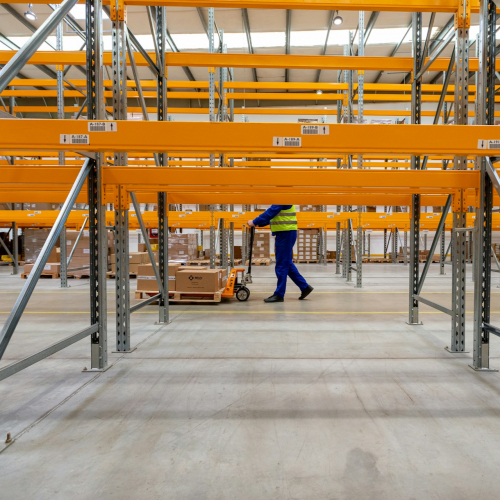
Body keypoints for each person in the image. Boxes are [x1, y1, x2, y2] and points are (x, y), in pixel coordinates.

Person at [248, 205, 313, 303]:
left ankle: (279, 294)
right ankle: (305, 287)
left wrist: (254, 221)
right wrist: (258, 223)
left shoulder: (281, 197)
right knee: (287, 263)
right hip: (286, 232)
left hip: (285, 233)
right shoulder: (282, 198)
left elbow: (271, 212)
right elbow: (273, 217)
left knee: (281, 264)